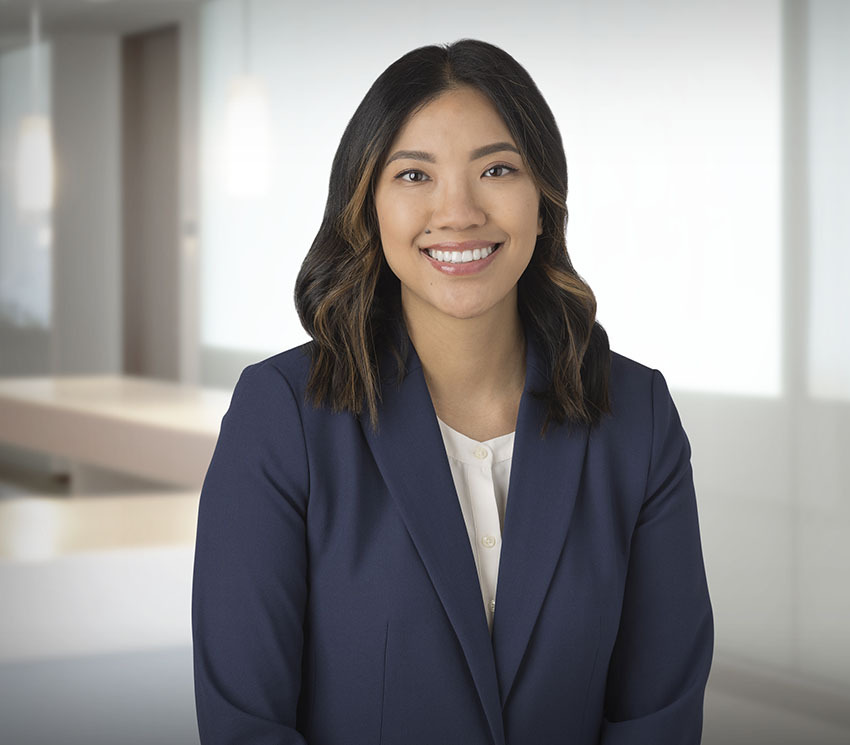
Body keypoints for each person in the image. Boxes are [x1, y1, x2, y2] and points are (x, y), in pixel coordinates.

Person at [191, 38, 713, 745]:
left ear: (543, 199)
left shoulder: (637, 415)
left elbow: (658, 715)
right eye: (414, 175)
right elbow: (245, 725)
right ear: (367, 201)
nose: (458, 211)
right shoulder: (282, 415)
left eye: (497, 168)